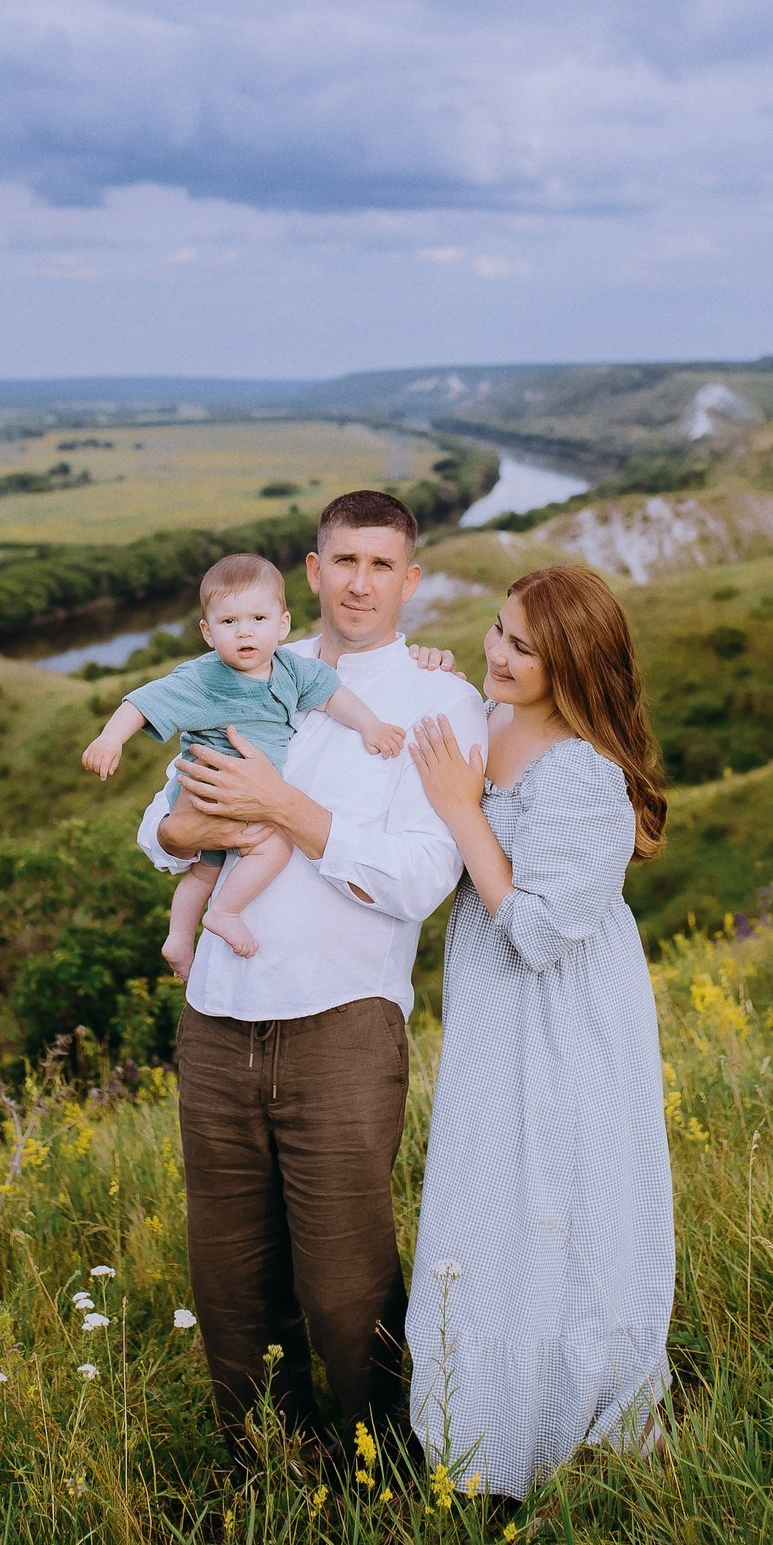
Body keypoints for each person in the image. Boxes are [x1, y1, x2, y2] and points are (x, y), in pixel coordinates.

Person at [143, 491, 487, 1459]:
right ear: (311, 571)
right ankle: (260, 1481)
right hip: (215, 1016)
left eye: (382, 565)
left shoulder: (435, 702)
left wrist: (283, 809)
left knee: (343, 1289)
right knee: (230, 1284)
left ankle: (379, 1480)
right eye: (344, 561)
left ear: (408, 580)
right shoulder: (237, 668)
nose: (360, 582)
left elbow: (420, 877)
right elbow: (160, 824)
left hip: (341, 1021)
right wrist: (184, 829)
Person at [405, 564, 675, 1499]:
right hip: (494, 1024)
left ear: (574, 664)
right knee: (490, 1207)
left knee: (563, 1208)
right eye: (498, 630)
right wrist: (430, 685)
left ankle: (570, 1436)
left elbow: (538, 931)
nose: (498, 652)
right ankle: (478, 1439)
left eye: (524, 647)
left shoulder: (586, 778)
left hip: (565, 1027)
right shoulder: (492, 722)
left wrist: (461, 809)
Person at [81, 553, 405, 980]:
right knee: (273, 846)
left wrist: (370, 725)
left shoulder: (292, 669)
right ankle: (226, 912)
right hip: (208, 793)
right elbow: (144, 700)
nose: (245, 631)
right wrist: (109, 738)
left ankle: (179, 937)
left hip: (240, 797)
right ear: (207, 632)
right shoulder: (205, 678)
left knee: (205, 869)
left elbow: (331, 695)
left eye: (257, 618)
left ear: (283, 624)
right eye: (229, 622)